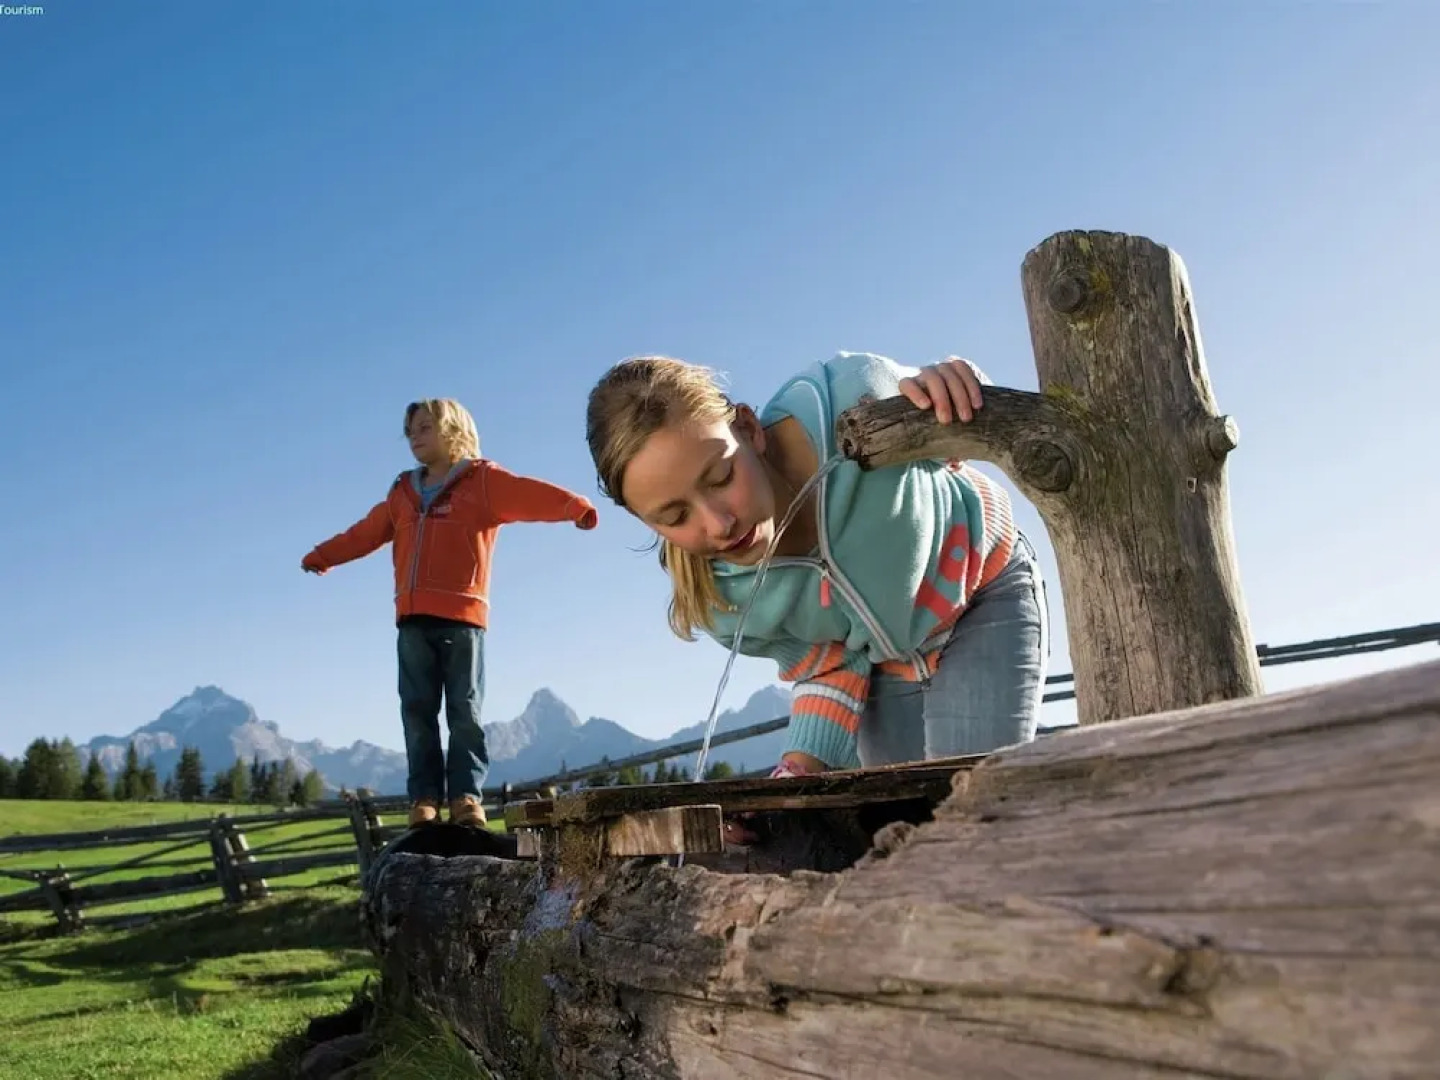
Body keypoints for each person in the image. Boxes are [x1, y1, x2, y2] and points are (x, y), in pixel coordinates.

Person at [584, 351, 1049, 806]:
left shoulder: (849, 398)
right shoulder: (723, 599)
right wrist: (795, 774)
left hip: (983, 595)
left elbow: (971, 423)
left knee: (975, 810)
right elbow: (831, 665)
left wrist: (960, 382)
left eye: (722, 477)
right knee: (906, 825)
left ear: (748, 429)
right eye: (675, 516)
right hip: (885, 664)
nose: (719, 524)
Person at [302, 398, 598, 829]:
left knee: (465, 712)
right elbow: (364, 532)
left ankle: (465, 798)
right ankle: (424, 800)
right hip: (412, 620)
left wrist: (574, 506)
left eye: (425, 428)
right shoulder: (402, 493)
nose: (415, 438)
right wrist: (323, 555)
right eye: (410, 432)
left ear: (453, 430)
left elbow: (528, 493)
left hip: (464, 620)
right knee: (417, 713)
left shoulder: (483, 481)